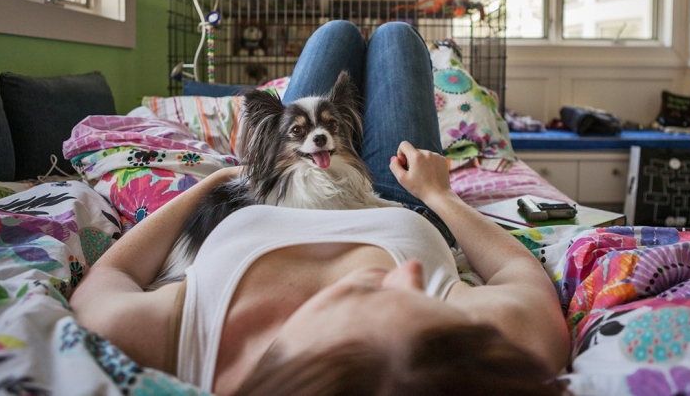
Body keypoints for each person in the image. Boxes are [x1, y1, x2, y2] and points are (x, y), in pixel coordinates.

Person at [69, 21, 571, 396]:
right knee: (398, 35)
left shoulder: (174, 340)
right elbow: (515, 269)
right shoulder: (475, 351)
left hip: (270, 187)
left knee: (335, 32)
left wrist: (222, 178)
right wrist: (440, 195)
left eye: (383, 308)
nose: (409, 275)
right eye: (424, 305)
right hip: (403, 194)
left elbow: (109, 276)